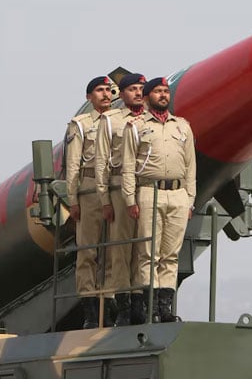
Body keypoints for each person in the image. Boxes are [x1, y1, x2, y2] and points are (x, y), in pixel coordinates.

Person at [121, 77, 196, 323]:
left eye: (166, 91)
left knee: (170, 254)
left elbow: (190, 166)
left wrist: (190, 199)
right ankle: (148, 308)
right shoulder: (136, 126)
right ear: (147, 97)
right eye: (158, 92)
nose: (163, 95)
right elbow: (129, 166)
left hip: (177, 195)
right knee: (148, 253)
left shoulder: (182, 127)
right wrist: (130, 199)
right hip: (148, 193)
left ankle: (165, 310)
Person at [94, 73, 147, 326]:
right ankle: (123, 305)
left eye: (141, 89)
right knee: (121, 249)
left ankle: (139, 303)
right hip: (118, 190)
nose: (138, 93)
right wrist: (104, 198)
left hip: (146, 191)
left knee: (143, 250)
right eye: (133, 89)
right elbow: (101, 160)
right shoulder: (110, 120)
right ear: (122, 93)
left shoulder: (152, 120)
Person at [65, 76, 115, 328]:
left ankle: (108, 305)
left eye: (108, 90)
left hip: (114, 192)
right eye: (99, 90)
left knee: (111, 252)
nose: (105, 94)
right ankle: (90, 310)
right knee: (88, 252)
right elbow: (73, 165)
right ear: (89, 97)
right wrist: (72, 199)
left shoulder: (119, 121)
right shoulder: (81, 125)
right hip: (89, 192)